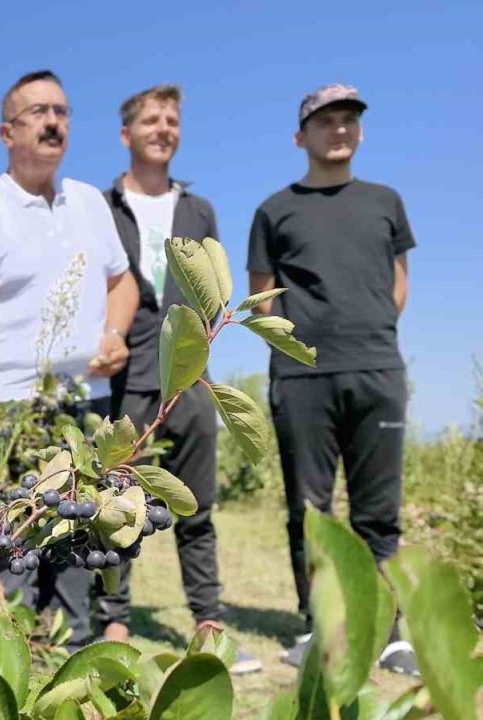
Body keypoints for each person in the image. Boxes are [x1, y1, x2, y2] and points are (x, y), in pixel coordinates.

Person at [0, 69, 138, 648]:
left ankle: (73, 665)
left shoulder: (88, 202)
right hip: (12, 408)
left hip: (86, 403)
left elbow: (123, 283)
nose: (53, 121)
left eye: (61, 110)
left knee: (79, 546)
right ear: (8, 132)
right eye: (37, 112)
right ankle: (8, 662)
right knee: (14, 549)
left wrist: (114, 334)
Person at [247, 84, 418, 675]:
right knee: (310, 509)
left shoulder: (386, 201)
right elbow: (260, 295)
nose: (338, 129)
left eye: (348, 120)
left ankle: (389, 631)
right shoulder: (274, 210)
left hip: (377, 369)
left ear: (360, 131)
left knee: (379, 512)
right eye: (325, 122)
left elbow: (398, 281)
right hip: (302, 376)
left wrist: (367, 332)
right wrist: (299, 346)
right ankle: (319, 624)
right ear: (301, 137)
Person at [100, 84, 261, 675]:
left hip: (191, 380)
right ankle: (114, 618)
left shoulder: (200, 210)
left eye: (172, 120)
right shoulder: (101, 206)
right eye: (151, 119)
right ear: (127, 134)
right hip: (125, 380)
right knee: (115, 504)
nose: (163, 128)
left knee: (200, 506)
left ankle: (208, 621)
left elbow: (213, 292)